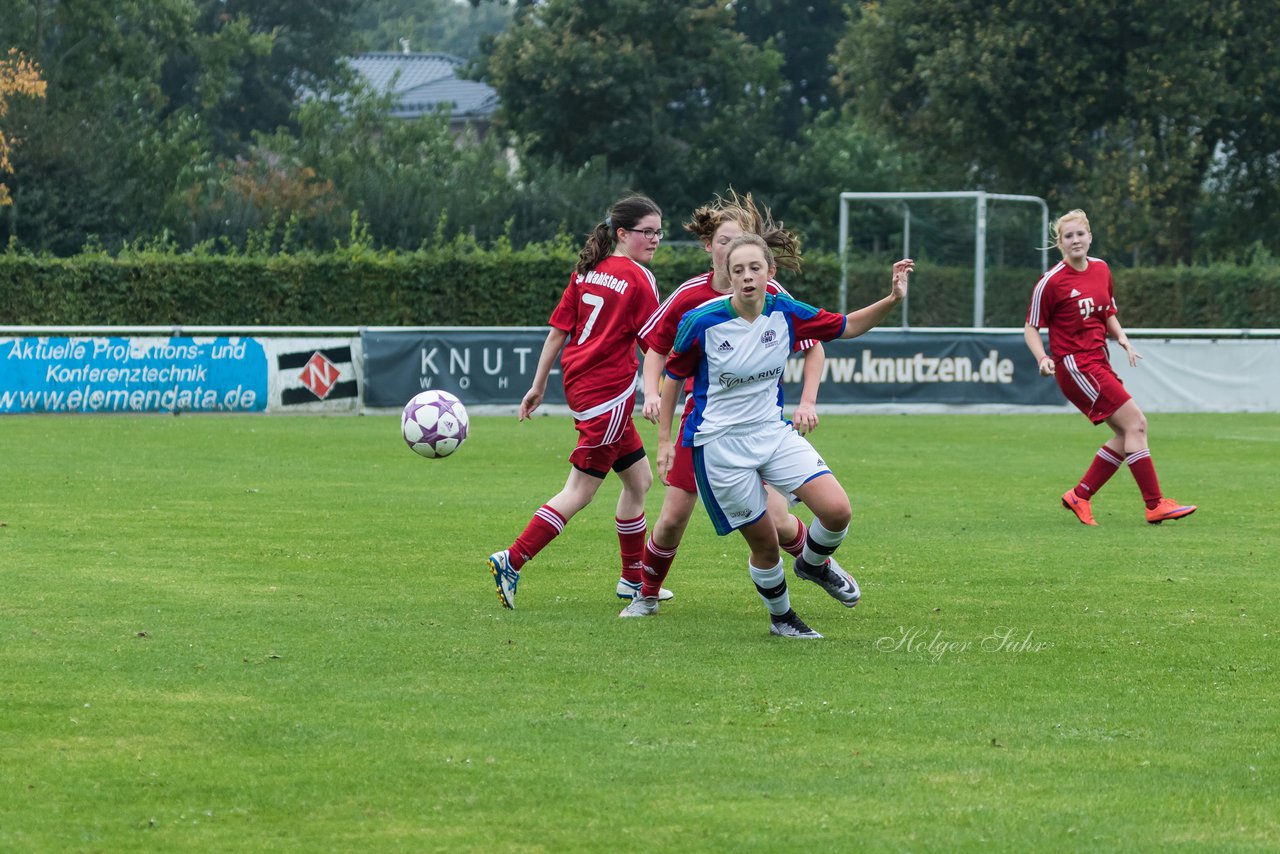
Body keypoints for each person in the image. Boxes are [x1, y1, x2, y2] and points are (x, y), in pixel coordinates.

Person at [652, 233, 913, 638]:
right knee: (766, 544)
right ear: (728, 275)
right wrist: (666, 441)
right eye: (738, 270)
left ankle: (811, 564)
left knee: (838, 510)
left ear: (770, 272)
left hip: (772, 433)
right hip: (720, 446)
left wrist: (893, 298)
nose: (747, 276)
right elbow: (673, 377)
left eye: (755, 268)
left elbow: (847, 326)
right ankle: (782, 618)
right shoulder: (702, 321)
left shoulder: (786, 312)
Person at [621, 191, 838, 618]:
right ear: (710, 247)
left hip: (761, 428)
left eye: (741, 242)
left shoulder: (770, 291)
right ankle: (645, 594)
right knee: (672, 519)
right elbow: (657, 351)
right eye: (724, 241)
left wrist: (807, 400)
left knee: (778, 520)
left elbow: (813, 343)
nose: (731, 250)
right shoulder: (690, 297)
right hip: (706, 430)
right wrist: (650, 395)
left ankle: (820, 567)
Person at [488, 195, 671, 609]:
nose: (655, 239)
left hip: (584, 388)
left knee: (639, 481)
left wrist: (537, 386)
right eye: (648, 231)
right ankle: (512, 560)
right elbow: (655, 344)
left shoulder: (588, 271)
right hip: (607, 395)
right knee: (579, 491)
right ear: (623, 233)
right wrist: (659, 387)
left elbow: (557, 333)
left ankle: (631, 580)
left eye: (660, 231)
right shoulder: (640, 279)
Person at [1024, 209, 1196, 527]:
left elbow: (1107, 312)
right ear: (1059, 243)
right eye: (1068, 236)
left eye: (1080, 234)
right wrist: (1042, 358)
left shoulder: (1101, 269)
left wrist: (1123, 338)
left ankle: (1080, 495)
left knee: (1126, 433)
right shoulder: (1051, 282)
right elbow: (1031, 327)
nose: (1075, 240)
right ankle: (1155, 504)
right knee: (1137, 424)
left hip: (1098, 362)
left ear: (1090, 236)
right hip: (1076, 367)